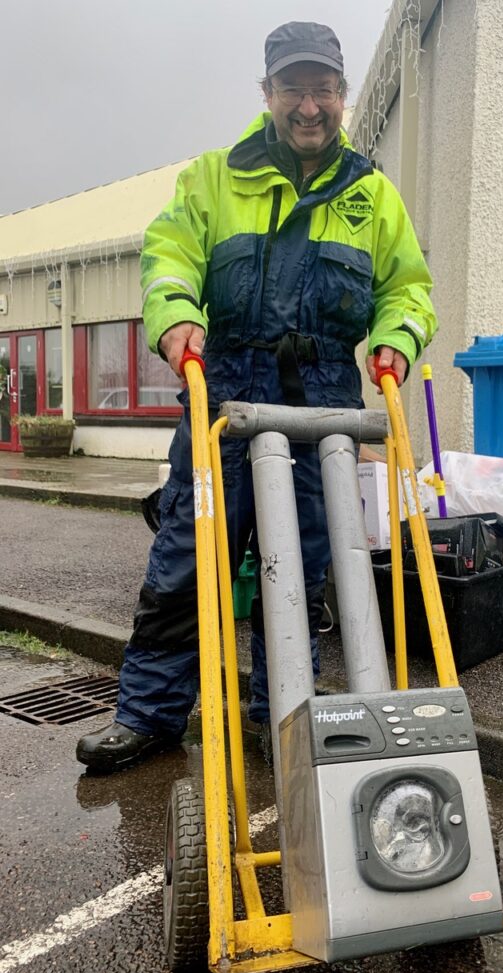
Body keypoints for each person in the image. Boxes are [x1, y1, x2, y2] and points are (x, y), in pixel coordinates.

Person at [76, 21, 437, 772]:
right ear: (267, 94)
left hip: (320, 410)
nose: (311, 106)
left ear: (342, 95)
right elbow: (169, 254)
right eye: (295, 89)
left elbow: (407, 288)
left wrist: (397, 339)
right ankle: (147, 716)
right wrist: (175, 314)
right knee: (186, 565)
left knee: (298, 576)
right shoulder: (212, 177)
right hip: (224, 397)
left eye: (325, 90)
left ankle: (288, 724)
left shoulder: (372, 195)